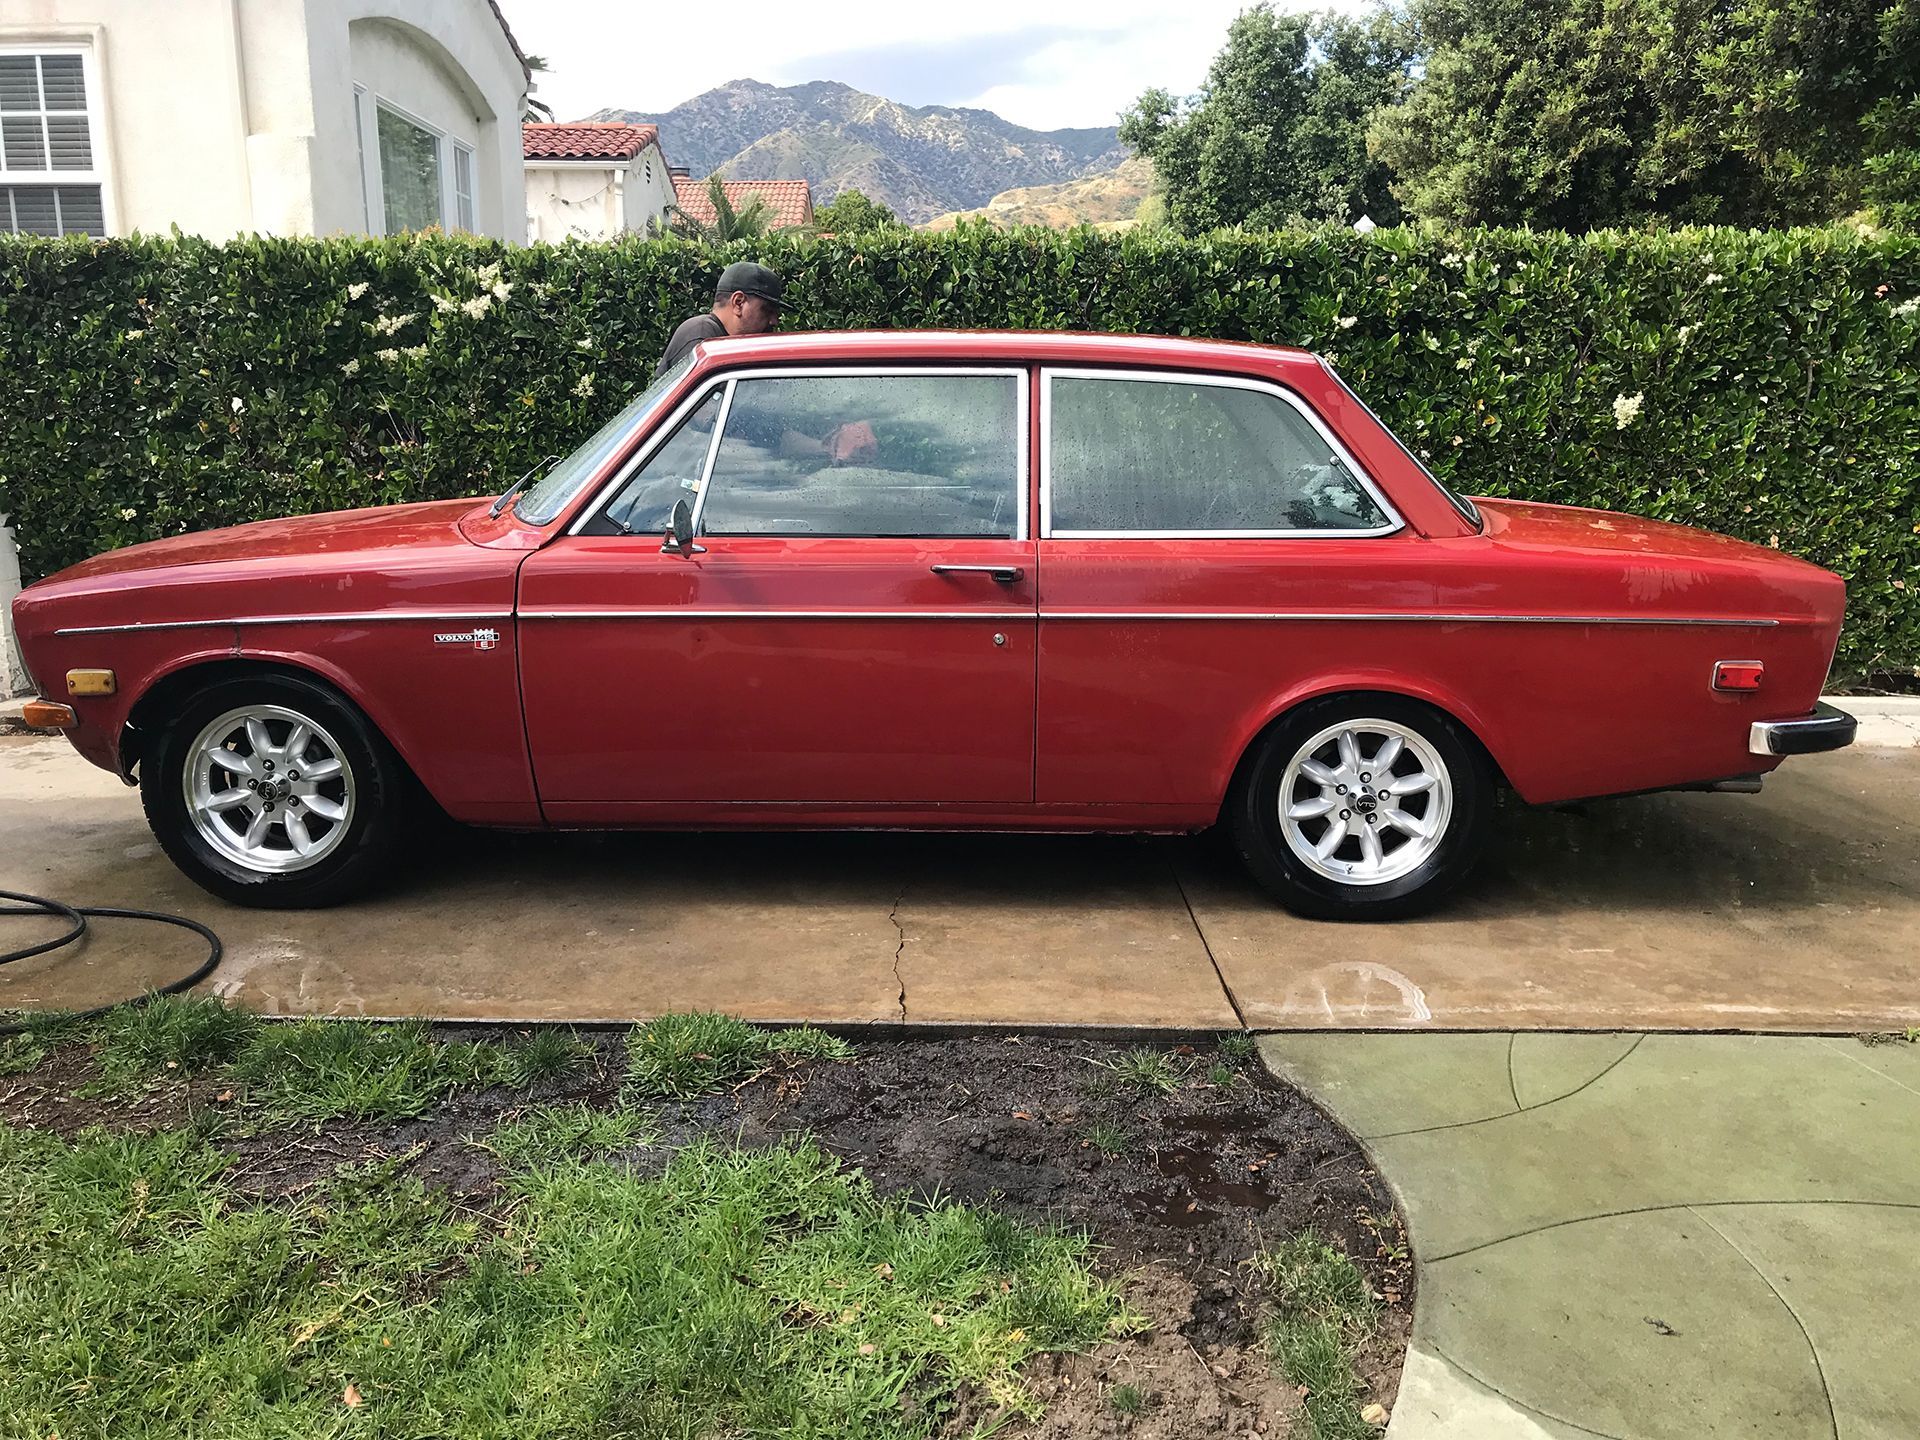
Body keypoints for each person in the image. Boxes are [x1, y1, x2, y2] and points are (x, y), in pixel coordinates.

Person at [655, 261, 784, 376]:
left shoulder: (721, 340)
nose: (774, 321)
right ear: (738, 303)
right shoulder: (701, 339)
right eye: (767, 310)